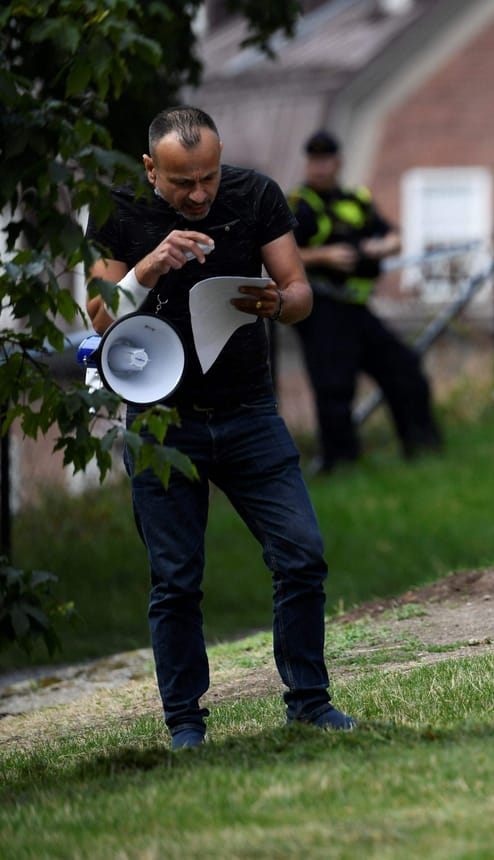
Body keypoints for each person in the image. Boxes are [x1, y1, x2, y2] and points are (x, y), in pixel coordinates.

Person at [84, 106, 355, 749]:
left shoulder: (255, 194)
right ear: (151, 169)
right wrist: (149, 266)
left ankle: (309, 703)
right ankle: (185, 723)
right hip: (160, 422)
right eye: (182, 183)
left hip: (248, 413)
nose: (199, 194)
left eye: (207, 176)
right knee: (176, 580)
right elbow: (98, 320)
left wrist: (277, 303)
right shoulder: (118, 210)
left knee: (301, 554)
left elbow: (299, 293)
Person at [289, 129, 442, 471]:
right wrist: (325, 256)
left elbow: (393, 235)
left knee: (404, 368)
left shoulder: (356, 198)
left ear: (338, 162)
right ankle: (340, 465)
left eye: (326, 161)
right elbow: (281, 254)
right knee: (334, 387)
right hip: (322, 309)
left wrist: (381, 246)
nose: (320, 168)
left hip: (357, 307)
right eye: (314, 161)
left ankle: (423, 448)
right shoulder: (298, 204)